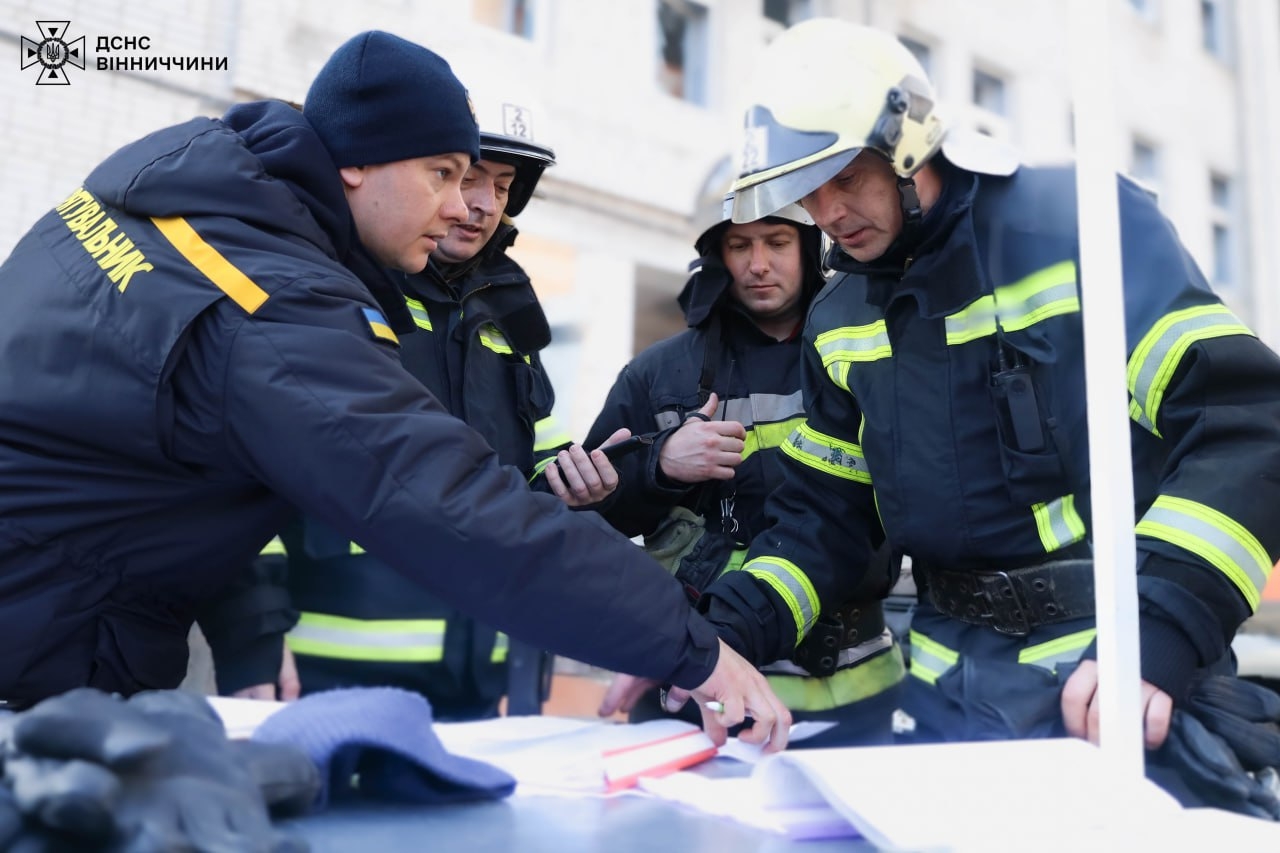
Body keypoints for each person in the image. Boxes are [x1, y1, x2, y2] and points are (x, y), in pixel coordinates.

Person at [0, 29, 790, 750]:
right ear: (358, 160)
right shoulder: (271, 301)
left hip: (58, 630)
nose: (463, 205)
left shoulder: (185, 204)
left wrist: (632, 470)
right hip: (60, 654)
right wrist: (690, 646)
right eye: (444, 173)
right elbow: (446, 499)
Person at [691, 17, 1280, 762]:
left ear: (906, 145)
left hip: (1110, 681)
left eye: (847, 177)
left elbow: (1246, 423)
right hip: (943, 695)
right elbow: (825, 520)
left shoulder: (1080, 226)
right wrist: (713, 636)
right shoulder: (838, 317)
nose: (829, 212)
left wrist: (1160, 633)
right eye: (809, 191)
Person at [210, 90, 627, 720]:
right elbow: (241, 476)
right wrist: (253, 634)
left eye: (504, 185)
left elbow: (530, 468)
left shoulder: (508, 316)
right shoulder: (333, 293)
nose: (480, 204)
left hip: (483, 681)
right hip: (323, 679)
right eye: (464, 176)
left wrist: (578, 479)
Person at [585, 172, 905, 746]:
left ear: (811, 250)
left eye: (778, 243)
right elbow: (592, 514)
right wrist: (657, 466)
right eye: (740, 245)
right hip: (701, 689)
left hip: (860, 691)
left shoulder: (865, 350)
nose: (759, 264)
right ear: (716, 257)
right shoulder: (658, 374)